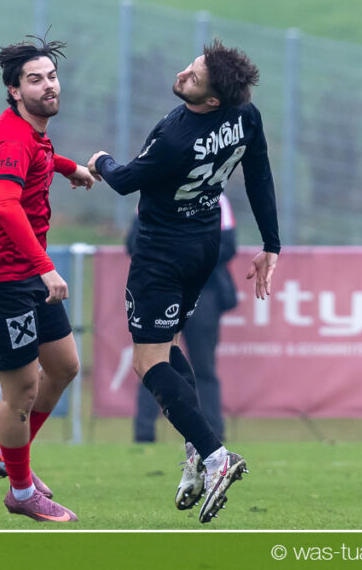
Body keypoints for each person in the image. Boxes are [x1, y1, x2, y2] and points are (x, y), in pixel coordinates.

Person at [87, 38, 280, 524]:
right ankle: (197, 452)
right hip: (202, 246)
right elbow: (259, 172)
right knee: (169, 345)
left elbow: (124, 180)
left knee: (147, 362)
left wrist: (100, 160)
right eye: (190, 66)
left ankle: (215, 456)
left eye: (192, 77)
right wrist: (271, 243)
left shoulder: (177, 138)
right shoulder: (245, 116)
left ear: (212, 100)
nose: (181, 75)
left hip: (161, 253)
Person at [0, 35, 96, 522]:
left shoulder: (32, 132)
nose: (49, 86)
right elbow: (4, 206)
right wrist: (45, 267)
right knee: (20, 390)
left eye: (52, 77)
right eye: (35, 80)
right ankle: (20, 492)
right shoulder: (14, 136)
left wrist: (68, 167)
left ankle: (9, 456)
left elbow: (37, 159)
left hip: (27, 276)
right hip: (4, 284)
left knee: (62, 367)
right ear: (14, 91)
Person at [130, 193, 238, 443]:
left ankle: (213, 434)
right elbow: (133, 241)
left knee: (204, 366)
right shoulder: (153, 191)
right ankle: (144, 433)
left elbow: (229, 245)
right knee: (152, 362)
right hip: (160, 291)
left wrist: (186, 257)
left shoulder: (217, 196)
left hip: (204, 293)